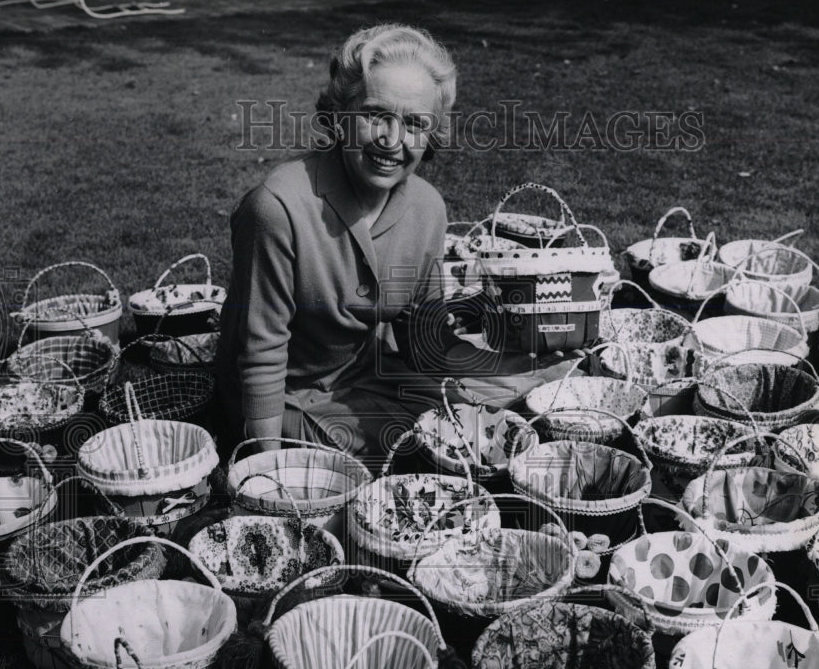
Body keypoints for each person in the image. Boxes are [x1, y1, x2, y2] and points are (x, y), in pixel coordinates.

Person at [217, 23, 576, 463]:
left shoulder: (427, 208)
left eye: (414, 123)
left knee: (479, 419)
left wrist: (522, 366)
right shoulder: (276, 208)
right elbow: (261, 358)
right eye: (375, 115)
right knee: (404, 450)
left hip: (367, 377)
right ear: (340, 115)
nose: (393, 141)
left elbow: (425, 344)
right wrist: (264, 469)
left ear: (431, 134)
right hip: (280, 400)